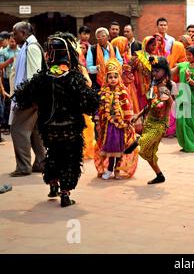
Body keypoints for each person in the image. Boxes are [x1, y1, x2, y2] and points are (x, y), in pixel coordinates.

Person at [13, 32, 99, 206]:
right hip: (70, 127)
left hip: (48, 127)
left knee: (53, 154)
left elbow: (22, 96)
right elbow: (90, 103)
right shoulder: (74, 78)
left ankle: (53, 184)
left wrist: (39, 101)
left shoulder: (42, 78)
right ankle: (65, 194)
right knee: (70, 158)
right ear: (67, 55)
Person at [9, 21, 46, 177]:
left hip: (28, 98)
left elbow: (34, 75)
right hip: (28, 97)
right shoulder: (27, 47)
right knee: (34, 131)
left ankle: (23, 167)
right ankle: (41, 162)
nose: (13, 36)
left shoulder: (31, 48)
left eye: (15, 33)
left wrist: (31, 98)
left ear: (23, 34)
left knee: (17, 129)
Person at [95, 58, 139, 179]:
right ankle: (109, 169)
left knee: (121, 148)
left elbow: (128, 106)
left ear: (119, 78)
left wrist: (128, 121)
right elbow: (100, 109)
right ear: (106, 79)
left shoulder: (123, 91)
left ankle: (117, 170)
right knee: (110, 147)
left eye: (115, 77)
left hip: (121, 126)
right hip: (108, 125)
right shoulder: (103, 92)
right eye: (110, 77)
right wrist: (99, 121)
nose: (113, 79)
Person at [135, 56, 174, 184]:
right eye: (153, 71)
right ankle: (159, 175)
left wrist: (167, 121)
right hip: (150, 121)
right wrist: (138, 115)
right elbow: (150, 105)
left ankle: (137, 141)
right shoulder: (153, 85)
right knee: (149, 153)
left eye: (158, 71)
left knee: (144, 146)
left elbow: (170, 103)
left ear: (164, 71)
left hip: (160, 124)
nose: (155, 73)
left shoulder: (164, 87)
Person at [171, 46, 194, 152]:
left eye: (190, 55)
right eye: (187, 54)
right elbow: (170, 72)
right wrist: (158, 64)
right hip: (183, 98)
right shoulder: (182, 65)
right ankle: (185, 144)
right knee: (181, 122)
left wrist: (189, 80)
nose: (187, 57)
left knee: (192, 123)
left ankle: (193, 145)